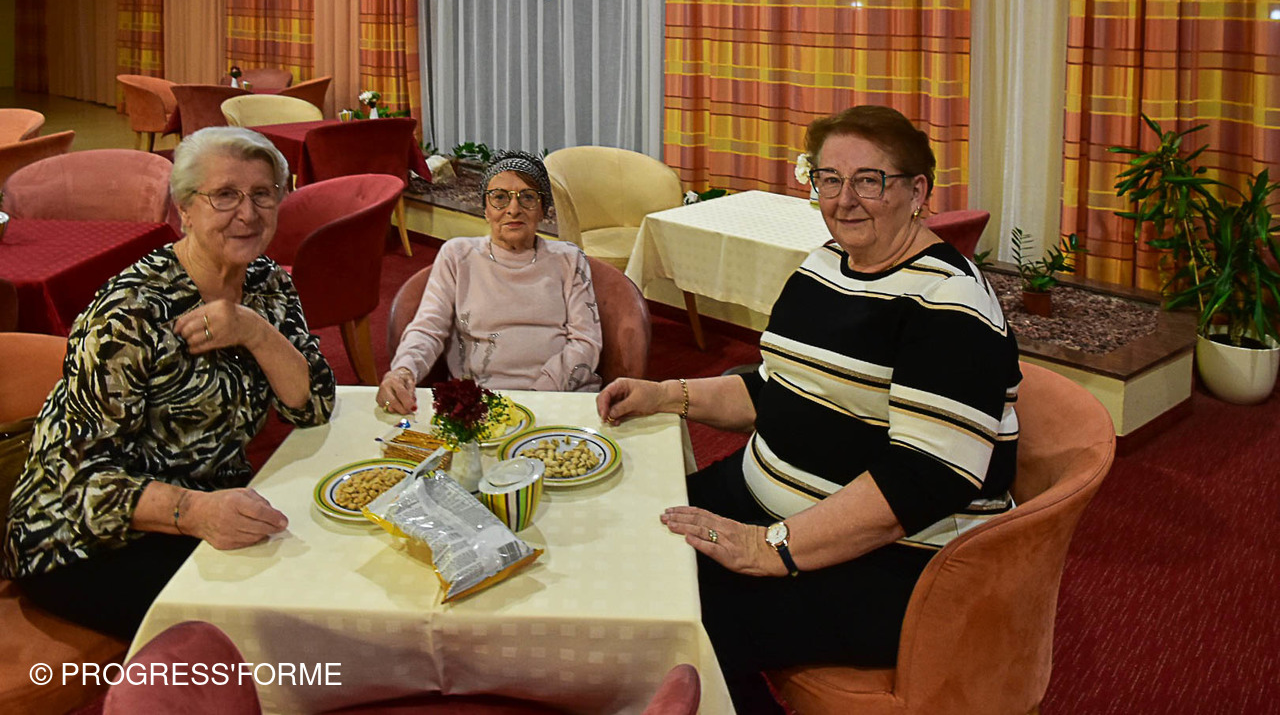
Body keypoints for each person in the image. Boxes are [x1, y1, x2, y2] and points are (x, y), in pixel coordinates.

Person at [596, 106, 1021, 713]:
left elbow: (926, 479)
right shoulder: (824, 264)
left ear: (918, 192)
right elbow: (775, 389)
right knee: (625, 535)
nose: (845, 200)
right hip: (767, 501)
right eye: (829, 179)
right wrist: (667, 394)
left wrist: (770, 546)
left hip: (897, 561)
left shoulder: (949, 304)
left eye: (869, 180)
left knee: (680, 614)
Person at [3, 127, 336, 639]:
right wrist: (194, 511)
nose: (248, 213)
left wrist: (253, 330)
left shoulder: (267, 282)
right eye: (224, 195)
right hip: (85, 539)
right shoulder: (129, 313)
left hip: (211, 500)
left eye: (262, 193)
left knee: (328, 570)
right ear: (185, 209)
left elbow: (311, 405)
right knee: (266, 626)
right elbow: (76, 480)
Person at [378, 151, 602, 412]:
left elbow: (586, 341)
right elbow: (428, 329)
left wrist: (540, 395)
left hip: (560, 399)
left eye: (528, 197)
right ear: (485, 209)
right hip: (479, 407)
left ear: (543, 210)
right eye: (499, 197)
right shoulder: (458, 256)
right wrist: (403, 370)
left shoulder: (569, 259)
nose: (513, 209)